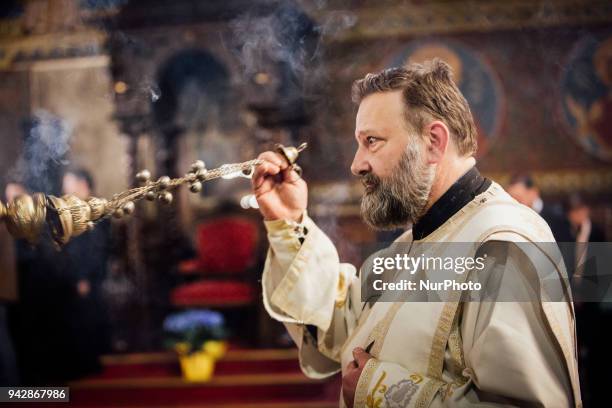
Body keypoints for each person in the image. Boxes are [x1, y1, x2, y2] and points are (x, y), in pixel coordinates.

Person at [251, 60, 580, 407]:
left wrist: (378, 389)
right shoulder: (407, 247)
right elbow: (337, 327)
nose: (357, 164)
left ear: (434, 142)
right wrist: (289, 222)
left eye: (372, 141)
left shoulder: (504, 247)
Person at [60, 168, 111, 379]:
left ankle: (89, 368)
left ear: (82, 185)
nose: (64, 190)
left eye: (68, 184)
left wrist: (82, 277)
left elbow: (93, 249)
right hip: (75, 276)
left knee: (86, 322)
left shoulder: (93, 210)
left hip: (87, 278)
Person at [506, 173, 573, 243]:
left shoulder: (557, 217)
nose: (514, 203)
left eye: (518, 198)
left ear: (533, 193)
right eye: (511, 199)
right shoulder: (511, 217)